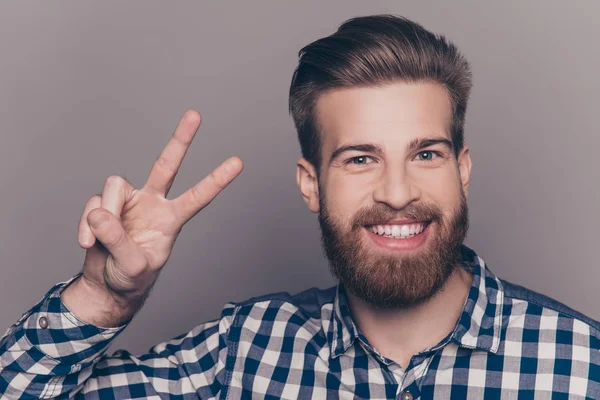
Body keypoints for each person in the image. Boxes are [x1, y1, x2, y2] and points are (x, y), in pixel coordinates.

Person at [1, 14, 598, 399]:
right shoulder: (243, 350)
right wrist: (105, 297)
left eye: (427, 154)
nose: (396, 193)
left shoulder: (581, 364)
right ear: (311, 184)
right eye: (360, 159)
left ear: (461, 168)